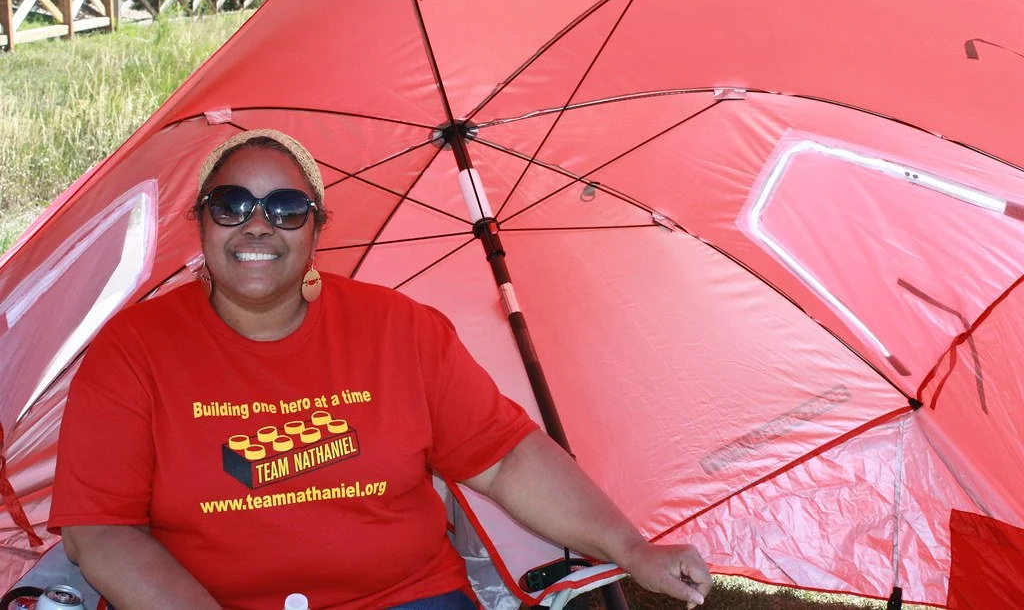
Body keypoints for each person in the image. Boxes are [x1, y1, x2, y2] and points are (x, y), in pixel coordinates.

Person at [48, 129, 711, 610]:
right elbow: (99, 531)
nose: (257, 226)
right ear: (200, 223)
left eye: (285, 208)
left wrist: (634, 548)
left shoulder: (399, 329)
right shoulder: (133, 349)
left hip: (407, 598)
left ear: (316, 229)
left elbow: (506, 459)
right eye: (230, 205)